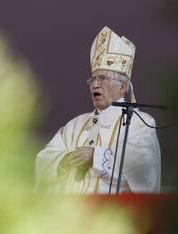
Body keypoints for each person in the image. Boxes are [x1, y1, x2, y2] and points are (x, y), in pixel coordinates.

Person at [36, 26, 161, 194]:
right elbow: (44, 159)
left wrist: (96, 157)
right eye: (93, 79)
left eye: (102, 78)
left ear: (122, 87)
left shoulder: (140, 123)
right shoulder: (75, 124)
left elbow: (141, 168)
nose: (95, 84)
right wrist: (65, 160)